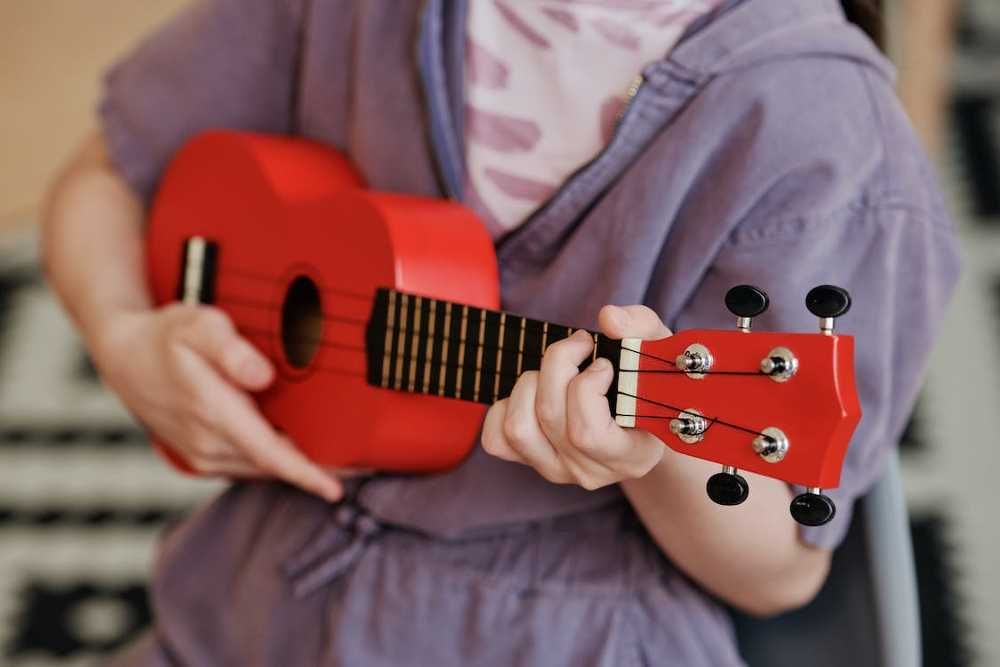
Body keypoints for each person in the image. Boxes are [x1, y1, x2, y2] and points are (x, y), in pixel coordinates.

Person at [42, 0, 960, 664]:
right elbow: (101, 178)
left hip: (558, 635)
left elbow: (781, 574)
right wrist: (125, 338)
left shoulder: (821, 139)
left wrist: (651, 450)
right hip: (244, 600)